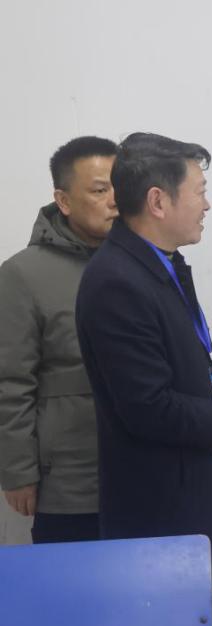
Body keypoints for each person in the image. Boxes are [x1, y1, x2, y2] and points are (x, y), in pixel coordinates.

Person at [76, 133, 212, 585]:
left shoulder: (160, 264)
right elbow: (148, 406)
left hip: (195, 501)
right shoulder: (116, 282)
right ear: (158, 201)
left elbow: (192, 365)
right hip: (162, 523)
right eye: (199, 192)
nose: (207, 205)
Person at [0, 137, 117, 542]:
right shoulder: (23, 274)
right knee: (72, 577)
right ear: (63, 201)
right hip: (70, 481)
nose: (114, 201)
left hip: (142, 471)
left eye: (119, 187)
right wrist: (18, 472)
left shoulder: (143, 261)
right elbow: (10, 381)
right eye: (99, 190)